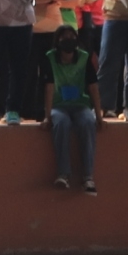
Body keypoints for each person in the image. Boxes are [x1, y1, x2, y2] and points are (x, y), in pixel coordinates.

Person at [43, 25, 100, 194]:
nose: (68, 39)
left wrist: (99, 115)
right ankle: (63, 174)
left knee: (88, 122)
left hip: (81, 105)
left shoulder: (84, 58)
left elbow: (93, 87)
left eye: (71, 36)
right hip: (59, 106)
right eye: (64, 37)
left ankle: (88, 176)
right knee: (61, 124)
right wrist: (47, 116)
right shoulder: (50, 58)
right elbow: (49, 88)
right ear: (57, 42)